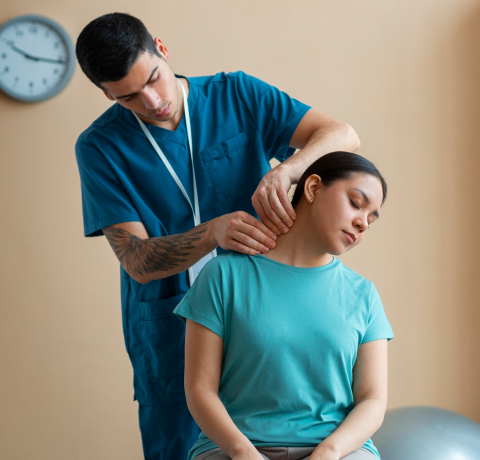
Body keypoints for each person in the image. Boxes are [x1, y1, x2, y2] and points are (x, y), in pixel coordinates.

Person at [74, 12, 360, 460]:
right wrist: (211, 232)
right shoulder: (99, 148)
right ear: (106, 94)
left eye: (154, 78)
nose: (152, 101)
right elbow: (136, 261)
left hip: (262, 318)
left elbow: (341, 134)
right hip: (171, 331)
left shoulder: (236, 94)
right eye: (128, 97)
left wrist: (289, 168)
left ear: (162, 49)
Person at [174, 151, 393, 460]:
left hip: (338, 450)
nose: (363, 223)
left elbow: (372, 401)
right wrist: (243, 453)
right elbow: (200, 388)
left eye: (371, 218)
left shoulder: (363, 294)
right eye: (357, 204)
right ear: (313, 188)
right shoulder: (223, 276)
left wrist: (328, 453)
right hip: (235, 448)